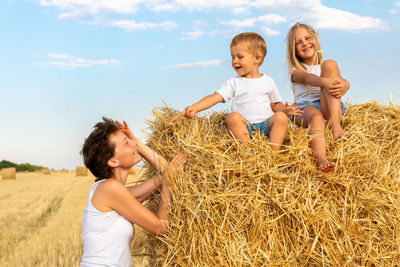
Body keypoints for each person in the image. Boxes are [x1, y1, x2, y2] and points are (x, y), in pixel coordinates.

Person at [80, 117, 188, 267]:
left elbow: (167, 172)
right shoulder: (109, 189)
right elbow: (161, 227)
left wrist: (135, 141)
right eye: (126, 142)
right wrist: (167, 187)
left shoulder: (114, 191)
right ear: (113, 161)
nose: (133, 144)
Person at [183, 32, 303, 150]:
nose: (234, 61)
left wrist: (285, 110)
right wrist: (196, 107)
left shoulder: (268, 81)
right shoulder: (234, 82)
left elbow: (275, 104)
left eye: (240, 57)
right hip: (244, 126)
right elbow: (216, 97)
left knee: (281, 117)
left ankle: (272, 154)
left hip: (266, 125)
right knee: (232, 117)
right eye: (232, 57)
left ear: (257, 58)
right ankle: (247, 152)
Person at [286, 23, 350, 172]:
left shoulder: (326, 67)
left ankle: (335, 126)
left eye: (308, 38)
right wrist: (325, 82)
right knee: (316, 118)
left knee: (330, 63)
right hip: (306, 108)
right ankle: (321, 159)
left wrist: (346, 85)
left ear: (315, 39)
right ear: (293, 49)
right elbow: (307, 78)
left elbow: (339, 82)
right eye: (298, 42)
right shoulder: (296, 71)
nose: (305, 43)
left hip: (328, 107)